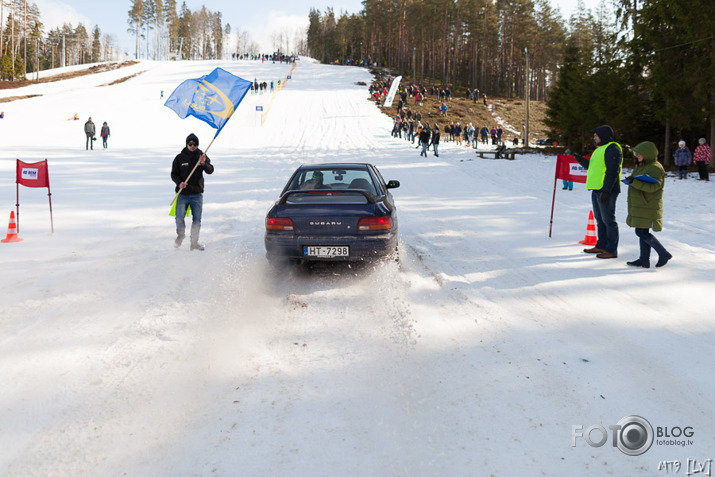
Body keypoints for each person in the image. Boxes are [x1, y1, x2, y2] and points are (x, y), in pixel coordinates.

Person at [571, 125, 624, 259]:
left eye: (596, 136)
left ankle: (611, 250)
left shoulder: (613, 148)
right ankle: (601, 245)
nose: (594, 138)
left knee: (608, 220)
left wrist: (606, 191)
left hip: (607, 190)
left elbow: (612, 171)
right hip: (597, 189)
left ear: (604, 136)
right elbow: (591, 167)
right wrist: (580, 159)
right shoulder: (600, 149)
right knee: (600, 220)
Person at [624, 141, 671, 268]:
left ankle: (663, 253)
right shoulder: (641, 166)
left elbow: (654, 187)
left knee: (641, 232)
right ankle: (644, 260)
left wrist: (635, 182)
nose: (637, 156)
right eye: (636, 154)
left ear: (647, 154)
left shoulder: (655, 167)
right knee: (641, 230)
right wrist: (631, 180)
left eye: (639, 154)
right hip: (640, 204)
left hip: (648, 205)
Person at [171, 133, 214, 251]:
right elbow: (173, 174)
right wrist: (179, 183)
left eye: (195, 144)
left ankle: (194, 242)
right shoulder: (179, 158)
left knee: (197, 220)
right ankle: (180, 235)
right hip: (182, 194)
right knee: (179, 217)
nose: (193, 146)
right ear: (186, 144)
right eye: (190, 144)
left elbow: (210, 170)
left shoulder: (202, 156)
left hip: (196, 194)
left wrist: (204, 163)